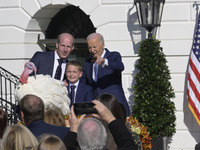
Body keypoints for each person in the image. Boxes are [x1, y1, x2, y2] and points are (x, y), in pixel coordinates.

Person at [81, 32, 130, 116]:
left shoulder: (113, 56)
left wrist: (104, 62)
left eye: (94, 47)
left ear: (102, 44)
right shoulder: (88, 62)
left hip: (114, 104)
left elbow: (120, 67)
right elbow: (84, 82)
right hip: (97, 105)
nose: (92, 50)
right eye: (89, 48)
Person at [64, 100, 138, 150]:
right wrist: (110, 118)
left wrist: (73, 130)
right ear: (105, 135)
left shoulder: (73, 139)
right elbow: (128, 144)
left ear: (77, 139)